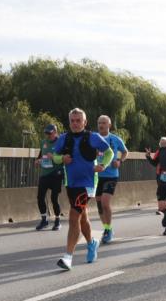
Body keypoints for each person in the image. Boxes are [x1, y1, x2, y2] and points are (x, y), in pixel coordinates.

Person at [54, 109, 113, 270]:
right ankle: (92, 242)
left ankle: (68, 257)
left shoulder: (93, 137)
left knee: (74, 217)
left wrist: (103, 165)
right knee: (82, 216)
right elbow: (54, 156)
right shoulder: (63, 139)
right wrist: (62, 158)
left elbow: (109, 152)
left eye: (78, 120)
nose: (75, 123)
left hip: (87, 184)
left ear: (85, 122)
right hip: (71, 183)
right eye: (72, 120)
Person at [95, 115, 128, 244]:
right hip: (97, 175)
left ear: (109, 125)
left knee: (105, 202)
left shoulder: (115, 139)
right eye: (99, 123)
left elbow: (125, 152)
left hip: (111, 175)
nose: (101, 125)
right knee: (99, 205)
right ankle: (107, 228)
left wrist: (120, 160)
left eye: (103, 123)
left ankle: (108, 230)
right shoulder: (94, 139)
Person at [34, 123, 62, 231]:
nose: (48, 136)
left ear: (55, 132)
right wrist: (37, 161)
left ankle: (57, 221)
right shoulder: (43, 143)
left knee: (54, 198)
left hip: (56, 174)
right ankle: (44, 220)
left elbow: (64, 157)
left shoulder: (60, 142)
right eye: (46, 134)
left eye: (50, 134)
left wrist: (54, 157)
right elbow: (40, 156)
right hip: (44, 174)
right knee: (40, 197)